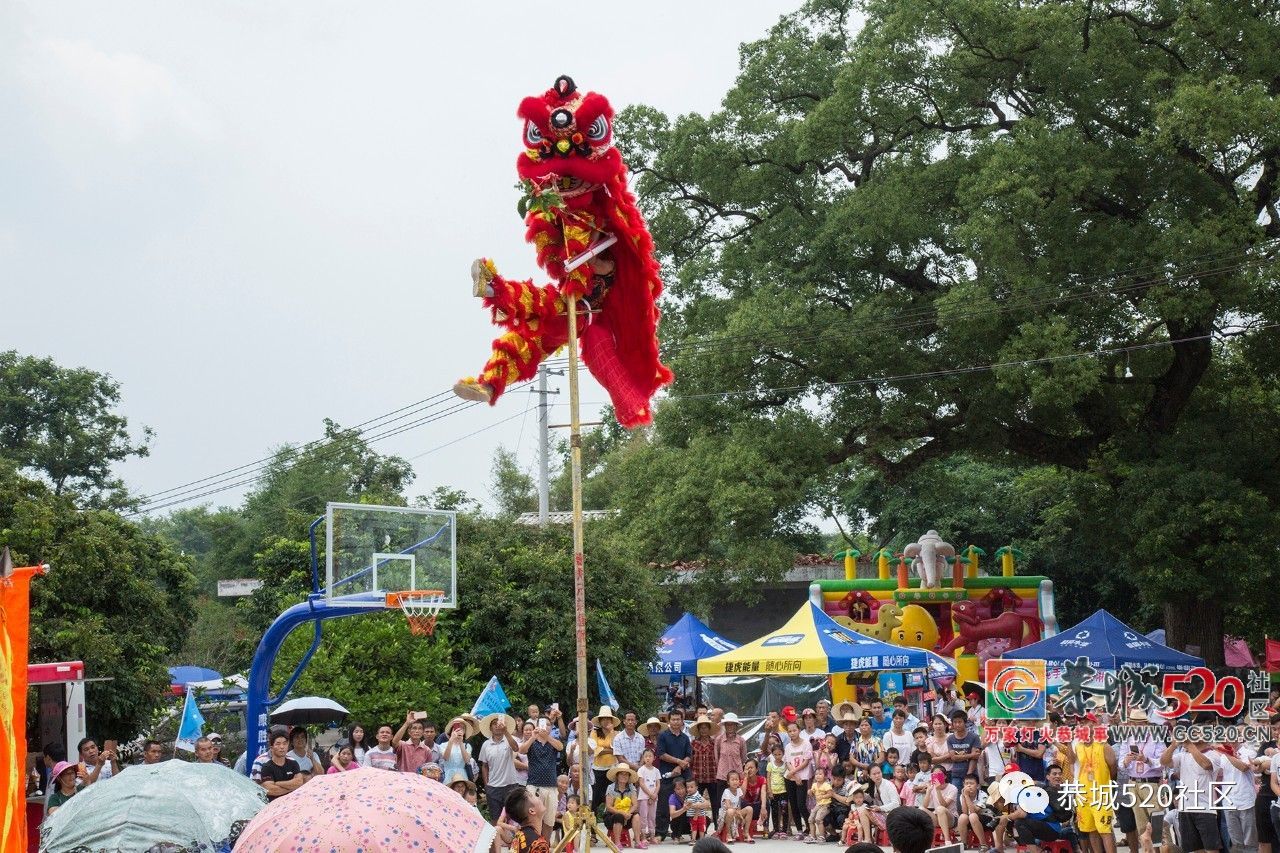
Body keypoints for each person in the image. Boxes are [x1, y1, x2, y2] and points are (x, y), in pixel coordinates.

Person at [1161, 729, 1222, 853]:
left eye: (1198, 732)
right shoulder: (1183, 755)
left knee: (1211, 849)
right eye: (1192, 733)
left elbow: (1205, 765)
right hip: (1185, 808)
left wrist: (1190, 745)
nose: (1194, 735)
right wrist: (1173, 745)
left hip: (1205, 808)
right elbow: (1164, 762)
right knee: (1194, 850)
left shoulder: (1213, 754)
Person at [1065, 716, 1119, 853]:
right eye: (1080, 723)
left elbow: (1113, 768)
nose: (1081, 725)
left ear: (1095, 724)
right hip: (1083, 795)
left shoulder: (1104, 746)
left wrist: (1106, 785)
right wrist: (1069, 741)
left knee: (1104, 830)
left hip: (1101, 795)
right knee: (1091, 830)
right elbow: (1071, 761)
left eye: (1085, 722)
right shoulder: (1078, 745)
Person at [520, 715, 563, 841]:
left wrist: (547, 737)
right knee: (532, 818)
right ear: (537, 726)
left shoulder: (553, 741)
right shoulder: (532, 742)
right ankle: (533, 845)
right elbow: (521, 750)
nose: (546, 727)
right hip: (534, 785)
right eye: (543, 724)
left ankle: (545, 846)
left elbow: (560, 747)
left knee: (549, 820)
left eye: (548, 724)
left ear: (551, 727)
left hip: (551, 786)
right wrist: (533, 736)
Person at [1013, 763, 1073, 853]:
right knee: (1020, 824)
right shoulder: (1042, 791)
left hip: (1057, 829)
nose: (1058, 776)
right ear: (1048, 777)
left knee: (1020, 823)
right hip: (1043, 827)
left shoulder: (1066, 791)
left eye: (1060, 774)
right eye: (1054, 774)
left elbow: (1069, 817)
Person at [657, 709, 693, 841]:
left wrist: (680, 766)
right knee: (663, 805)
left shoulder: (685, 738)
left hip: (682, 776)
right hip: (666, 775)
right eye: (673, 719)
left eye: (678, 719)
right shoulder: (663, 736)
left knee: (685, 804)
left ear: (682, 721)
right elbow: (661, 754)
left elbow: (689, 755)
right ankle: (660, 833)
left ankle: (678, 833)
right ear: (668, 721)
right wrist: (678, 761)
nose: (676, 722)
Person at [480, 712, 522, 825]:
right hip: (493, 787)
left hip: (510, 784)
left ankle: (512, 841)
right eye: (494, 723)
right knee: (495, 818)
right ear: (490, 728)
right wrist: (486, 784)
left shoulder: (509, 739)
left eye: (498, 723)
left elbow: (516, 748)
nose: (497, 725)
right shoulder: (486, 745)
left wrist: (506, 731)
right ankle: (497, 841)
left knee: (513, 817)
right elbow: (484, 765)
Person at [1217, 741, 1257, 853]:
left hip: (1246, 800)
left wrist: (1226, 752)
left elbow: (1243, 767)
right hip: (1228, 801)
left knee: (1250, 842)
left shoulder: (1248, 752)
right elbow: (1217, 774)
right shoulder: (1221, 755)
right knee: (1236, 843)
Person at [784, 720, 815, 839]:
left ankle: (809, 826)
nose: (792, 733)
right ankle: (799, 830)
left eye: (794, 730)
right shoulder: (787, 746)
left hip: (803, 777)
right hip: (791, 778)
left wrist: (794, 773)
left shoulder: (806, 744)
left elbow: (806, 761)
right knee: (793, 804)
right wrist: (793, 775)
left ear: (799, 731)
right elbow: (787, 762)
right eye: (790, 731)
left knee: (801, 804)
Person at [588, 705, 621, 813]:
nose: (606, 721)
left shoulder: (617, 734)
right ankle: (593, 819)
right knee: (596, 795)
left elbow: (617, 749)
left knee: (611, 795)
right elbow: (595, 750)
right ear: (600, 720)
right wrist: (609, 750)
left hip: (612, 768)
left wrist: (611, 732)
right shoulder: (594, 733)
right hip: (598, 768)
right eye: (603, 719)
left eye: (608, 718)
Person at [604, 763, 646, 847]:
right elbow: (609, 807)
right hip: (612, 816)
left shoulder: (631, 787)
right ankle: (617, 843)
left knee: (636, 815)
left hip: (628, 815)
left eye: (626, 774)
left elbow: (635, 805)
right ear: (617, 776)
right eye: (622, 774)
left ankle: (637, 842)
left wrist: (628, 813)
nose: (624, 776)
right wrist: (622, 813)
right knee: (619, 816)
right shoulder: (611, 787)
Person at [254, 731, 304, 800]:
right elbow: (270, 790)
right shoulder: (267, 767)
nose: (282, 747)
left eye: (285, 744)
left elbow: (299, 782)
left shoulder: (293, 763)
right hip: (274, 806)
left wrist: (277, 783)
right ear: (271, 748)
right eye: (278, 744)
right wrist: (292, 787)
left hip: (292, 804)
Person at [506, 786, 552, 853]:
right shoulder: (538, 845)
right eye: (532, 796)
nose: (538, 797)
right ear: (532, 811)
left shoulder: (519, 835)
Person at [944, 710, 982, 790]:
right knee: (957, 799)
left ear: (965, 722)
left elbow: (975, 758)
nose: (957, 724)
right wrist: (971, 755)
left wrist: (969, 774)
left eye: (960, 722)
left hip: (971, 774)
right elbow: (953, 757)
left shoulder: (974, 737)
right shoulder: (950, 739)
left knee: (972, 798)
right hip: (956, 775)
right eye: (955, 722)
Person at [920, 768, 957, 843]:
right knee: (921, 809)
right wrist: (928, 791)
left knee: (940, 809)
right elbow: (925, 806)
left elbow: (944, 805)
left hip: (951, 819)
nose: (936, 776)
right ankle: (923, 839)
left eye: (939, 774)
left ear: (945, 776)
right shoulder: (932, 787)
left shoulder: (953, 788)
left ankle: (947, 840)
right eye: (934, 775)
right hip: (937, 817)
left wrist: (938, 790)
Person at [955, 773, 989, 850]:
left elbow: (974, 811)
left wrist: (966, 796)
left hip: (984, 821)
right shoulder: (962, 795)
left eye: (972, 783)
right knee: (962, 817)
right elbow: (965, 812)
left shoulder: (983, 795)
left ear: (977, 785)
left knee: (972, 816)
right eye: (966, 783)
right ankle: (964, 843)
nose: (969, 785)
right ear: (963, 785)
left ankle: (983, 844)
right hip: (971, 820)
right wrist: (964, 797)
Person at [720, 769, 755, 843]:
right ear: (728, 782)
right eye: (732, 780)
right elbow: (728, 807)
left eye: (736, 779)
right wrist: (739, 814)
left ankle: (746, 833)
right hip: (726, 815)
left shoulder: (739, 790)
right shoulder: (726, 791)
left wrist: (739, 815)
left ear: (739, 781)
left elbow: (739, 805)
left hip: (736, 813)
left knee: (749, 809)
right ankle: (728, 834)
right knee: (730, 811)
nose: (735, 781)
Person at [867, 763, 901, 838]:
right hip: (883, 814)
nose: (877, 776)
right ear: (870, 776)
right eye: (874, 774)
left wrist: (880, 808)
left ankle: (868, 838)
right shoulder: (874, 786)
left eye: (879, 773)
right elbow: (870, 798)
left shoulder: (888, 785)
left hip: (892, 816)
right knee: (861, 809)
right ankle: (868, 838)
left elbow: (896, 804)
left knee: (864, 812)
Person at [439, 716, 475, 783]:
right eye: (457, 728)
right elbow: (445, 758)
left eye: (462, 728)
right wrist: (451, 740)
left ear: (465, 732)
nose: (459, 730)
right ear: (452, 730)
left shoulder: (467, 746)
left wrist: (461, 742)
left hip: (462, 775)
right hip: (447, 774)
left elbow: (467, 760)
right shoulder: (443, 745)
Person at [766, 743, 790, 838]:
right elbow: (768, 778)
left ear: (783, 754)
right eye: (775, 754)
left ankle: (784, 830)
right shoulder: (770, 765)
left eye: (779, 754)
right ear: (772, 754)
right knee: (775, 811)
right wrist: (769, 790)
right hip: (774, 792)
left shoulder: (785, 765)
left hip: (784, 791)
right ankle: (776, 830)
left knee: (784, 811)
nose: (777, 756)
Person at [806, 767, 834, 843]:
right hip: (818, 805)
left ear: (825, 776)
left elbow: (830, 794)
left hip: (826, 805)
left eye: (820, 774)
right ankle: (813, 836)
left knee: (818, 819)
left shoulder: (826, 785)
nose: (818, 776)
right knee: (810, 819)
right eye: (816, 774)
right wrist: (810, 792)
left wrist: (823, 796)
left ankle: (822, 836)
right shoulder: (814, 784)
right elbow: (812, 794)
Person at [668, 778, 692, 843]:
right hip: (678, 824)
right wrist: (684, 809)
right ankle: (676, 835)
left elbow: (706, 803)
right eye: (678, 789)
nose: (681, 791)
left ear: (686, 788)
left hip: (690, 823)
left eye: (682, 788)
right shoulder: (672, 797)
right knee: (682, 814)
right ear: (674, 789)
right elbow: (672, 814)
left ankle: (695, 835)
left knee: (706, 819)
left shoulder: (691, 794)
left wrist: (695, 805)